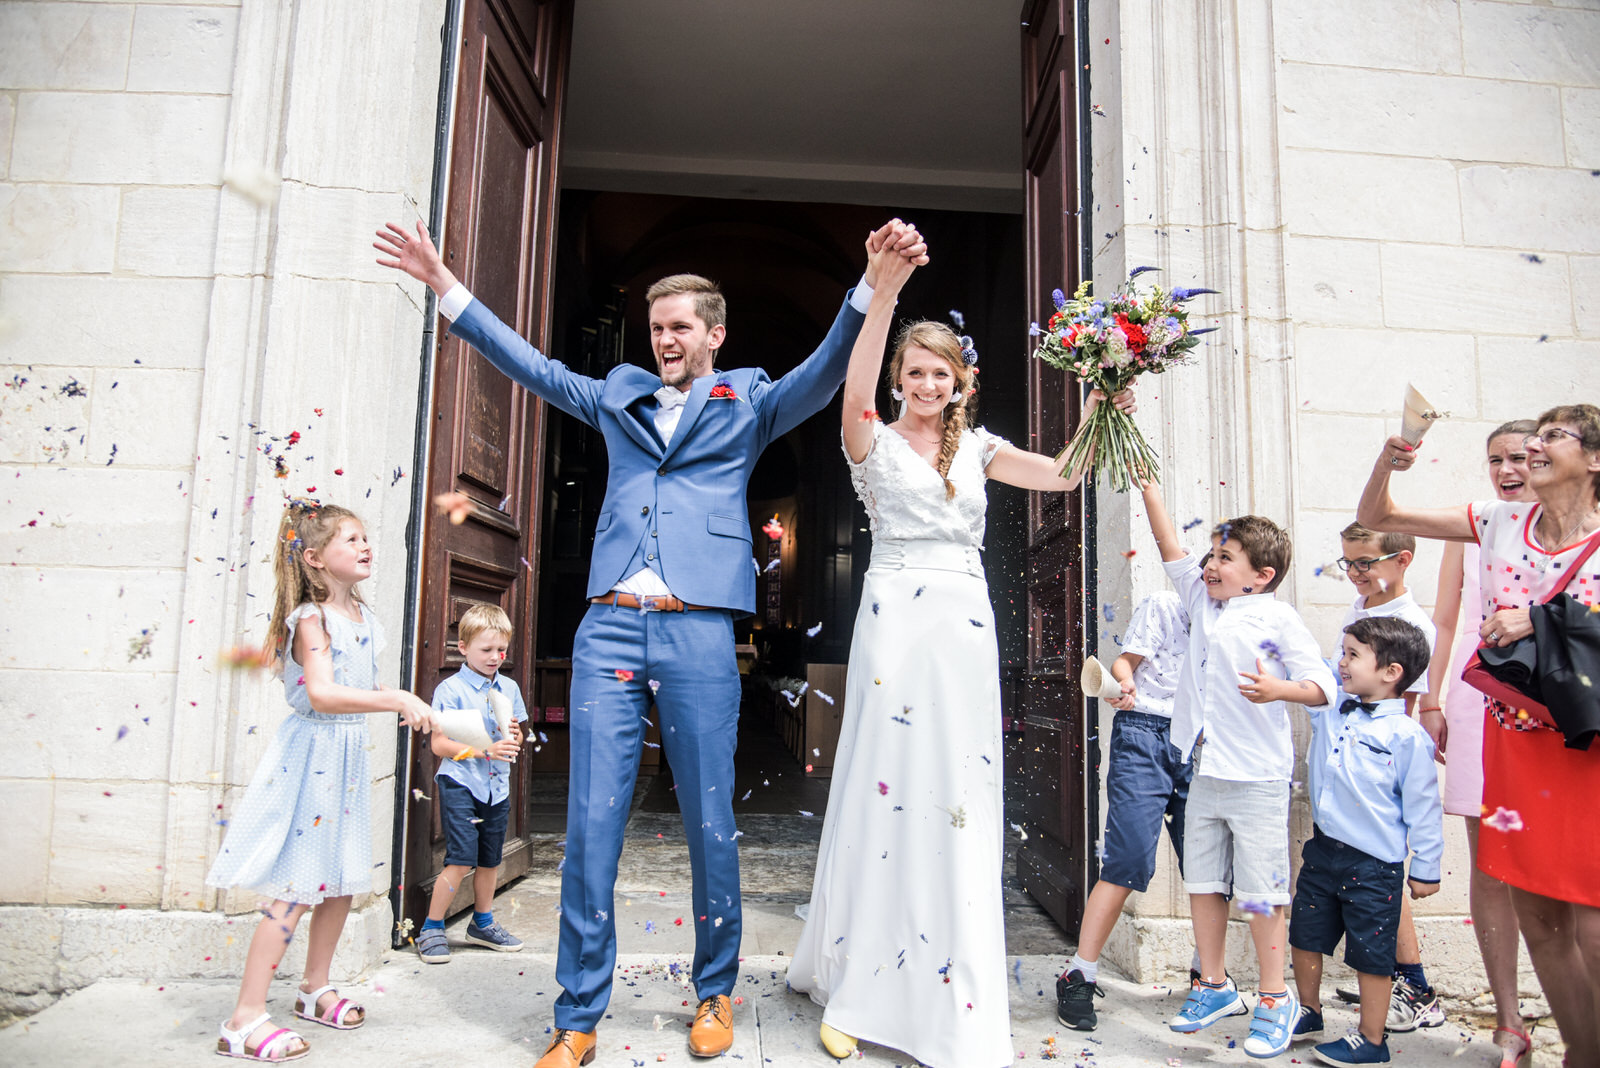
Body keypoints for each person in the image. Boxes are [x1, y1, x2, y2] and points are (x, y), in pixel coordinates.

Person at [376, 216, 927, 1068]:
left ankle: (713, 994)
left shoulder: (748, 399)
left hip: (700, 630)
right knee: (594, 827)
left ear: (714, 334)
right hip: (609, 627)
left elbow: (824, 376)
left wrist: (867, 287)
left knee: (710, 821)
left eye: (680, 327)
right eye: (656, 328)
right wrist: (445, 284)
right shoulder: (617, 395)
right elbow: (532, 366)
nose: (665, 340)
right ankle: (577, 1016)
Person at [787, 242, 1136, 1066]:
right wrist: (883, 296)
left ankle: (945, 983)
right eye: (914, 371)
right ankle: (858, 982)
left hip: (962, 625)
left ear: (959, 381)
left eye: (939, 373)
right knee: (887, 781)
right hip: (893, 619)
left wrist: (1108, 391)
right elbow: (855, 378)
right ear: (899, 377)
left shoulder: (980, 449)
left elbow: (1066, 474)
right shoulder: (867, 438)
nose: (926, 384)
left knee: (954, 789)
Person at [1357, 404, 1600, 1067]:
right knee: (1540, 918)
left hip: (1589, 750)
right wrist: (1389, 461)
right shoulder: (1493, 521)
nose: (1531, 450)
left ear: (1595, 459)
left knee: (1592, 923)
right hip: (1514, 739)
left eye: (1551, 438)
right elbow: (1380, 519)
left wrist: (1539, 622)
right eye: (1530, 439)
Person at [207, 500, 436, 1062]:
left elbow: (351, 693)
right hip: (313, 760)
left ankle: (314, 987)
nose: (364, 546)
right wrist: (397, 698)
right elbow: (322, 693)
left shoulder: (364, 617)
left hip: (348, 760)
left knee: (340, 882)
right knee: (296, 888)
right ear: (313, 558)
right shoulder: (311, 618)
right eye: (350, 539)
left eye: (365, 537)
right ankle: (245, 1018)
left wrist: (391, 705)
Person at [1140, 480, 1336, 1060]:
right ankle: (1216, 987)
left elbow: (1324, 684)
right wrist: (1148, 485)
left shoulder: (1277, 620)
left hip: (1257, 777)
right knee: (1202, 881)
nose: (1210, 565)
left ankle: (1276, 999)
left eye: (1225, 558)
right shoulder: (1205, 603)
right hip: (1205, 769)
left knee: (1258, 891)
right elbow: (1168, 544)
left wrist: (1280, 688)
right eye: (1213, 555)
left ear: (1262, 575)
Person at [1415, 421, 1537, 1066]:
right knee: (1490, 863)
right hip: (1477, 693)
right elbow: (1443, 616)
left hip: (1557, 703)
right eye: (1495, 459)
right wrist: (1432, 698)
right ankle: (1510, 1020)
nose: (1506, 470)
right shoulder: (1477, 524)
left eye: (1518, 458)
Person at [1290, 617, 1443, 1067]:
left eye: (1353, 655)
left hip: (1375, 866)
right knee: (1305, 933)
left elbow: (1424, 809)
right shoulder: (1332, 707)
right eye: (1343, 652)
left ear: (1391, 672)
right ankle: (1308, 1010)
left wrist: (1427, 868)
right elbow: (1304, 658)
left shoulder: (1407, 738)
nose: (1341, 661)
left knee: (1371, 954)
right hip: (1323, 850)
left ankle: (1371, 1040)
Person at [1057, 590, 1195, 1031]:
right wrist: (1124, 680)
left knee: (1208, 865)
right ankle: (1079, 972)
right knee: (1128, 859)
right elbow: (1123, 663)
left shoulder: (1243, 620)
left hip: (1204, 743)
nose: (1213, 570)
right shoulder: (1166, 604)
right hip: (1145, 734)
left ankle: (1207, 976)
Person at [1333, 522, 1443, 1032]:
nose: (1354, 573)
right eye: (1348, 563)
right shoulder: (1367, 607)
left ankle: (1415, 989)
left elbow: (1402, 710)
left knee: (1384, 881)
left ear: (1402, 561)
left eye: (1365, 563)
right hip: (1350, 765)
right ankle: (1391, 978)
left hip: (1379, 779)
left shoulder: (1410, 623)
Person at [415, 603, 529, 963]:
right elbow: (440, 745)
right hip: (462, 783)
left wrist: (516, 738)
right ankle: (431, 927)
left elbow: (519, 734)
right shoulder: (451, 690)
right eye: (486, 650)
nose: (495, 657)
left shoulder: (508, 688)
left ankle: (482, 923)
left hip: (498, 788)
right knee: (462, 859)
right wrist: (485, 752)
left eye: (500, 650)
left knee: (490, 860)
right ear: (463, 647)